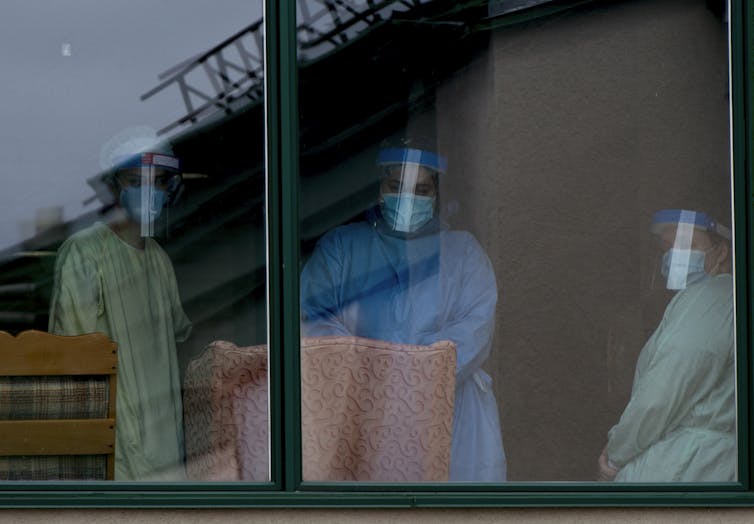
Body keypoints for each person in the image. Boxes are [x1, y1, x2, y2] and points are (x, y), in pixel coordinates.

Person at [300, 141, 507, 481]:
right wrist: (374, 370)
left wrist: (415, 373)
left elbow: (475, 329)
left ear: (436, 194)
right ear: (380, 188)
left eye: (420, 189)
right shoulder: (341, 248)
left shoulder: (464, 253)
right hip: (363, 408)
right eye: (397, 187)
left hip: (450, 409)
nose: (408, 198)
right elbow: (315, 320)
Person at [49, 129, 191, 480]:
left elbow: (175, 341)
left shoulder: (158, 258)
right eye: (135, 180)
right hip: (114, 446)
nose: (149, 191)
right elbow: (74, 359)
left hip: (166, 446)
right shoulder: (85, 252)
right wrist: (119, 437)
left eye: (159, 181)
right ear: (113, 187)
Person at [598, 209, 735, 482]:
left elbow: (662, 392)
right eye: (667, 247)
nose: (675, 254)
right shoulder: (723, 299)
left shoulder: (708, 298)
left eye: (687, 245)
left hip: (684, 465)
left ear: (721, 253)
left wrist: (615, 455)